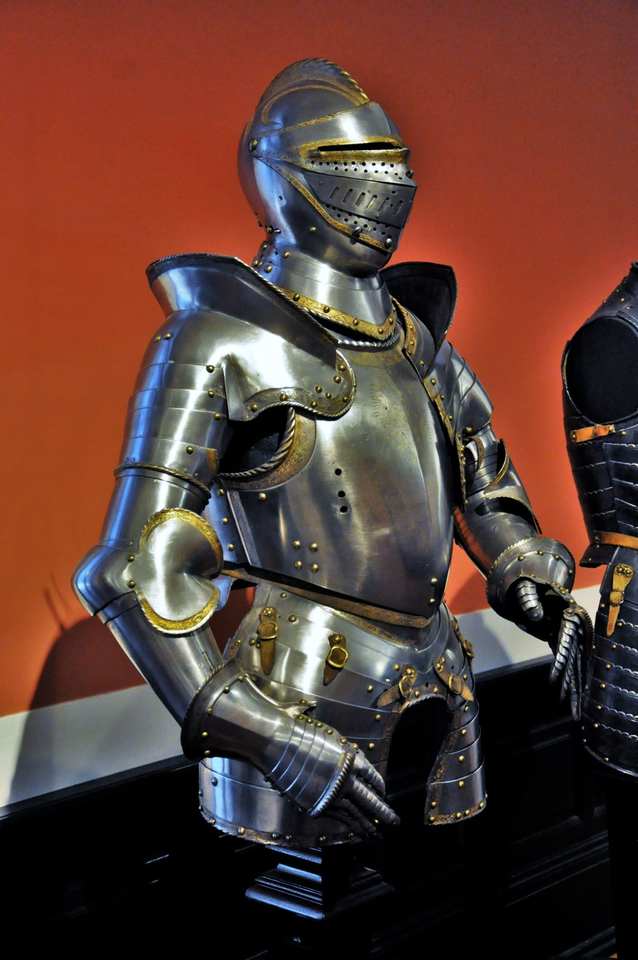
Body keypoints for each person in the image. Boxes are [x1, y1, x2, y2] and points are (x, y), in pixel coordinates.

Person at [73, 59, 585, 848]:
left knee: (439, 897)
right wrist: (268, 736)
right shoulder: (217, 339)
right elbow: (133, 570)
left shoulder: (417, 341)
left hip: (442, 677)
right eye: (353, 165)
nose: (384, 186)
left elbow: (483, 482)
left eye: (391, 165)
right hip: (295, 692)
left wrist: (525, 572)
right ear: (281, 175)